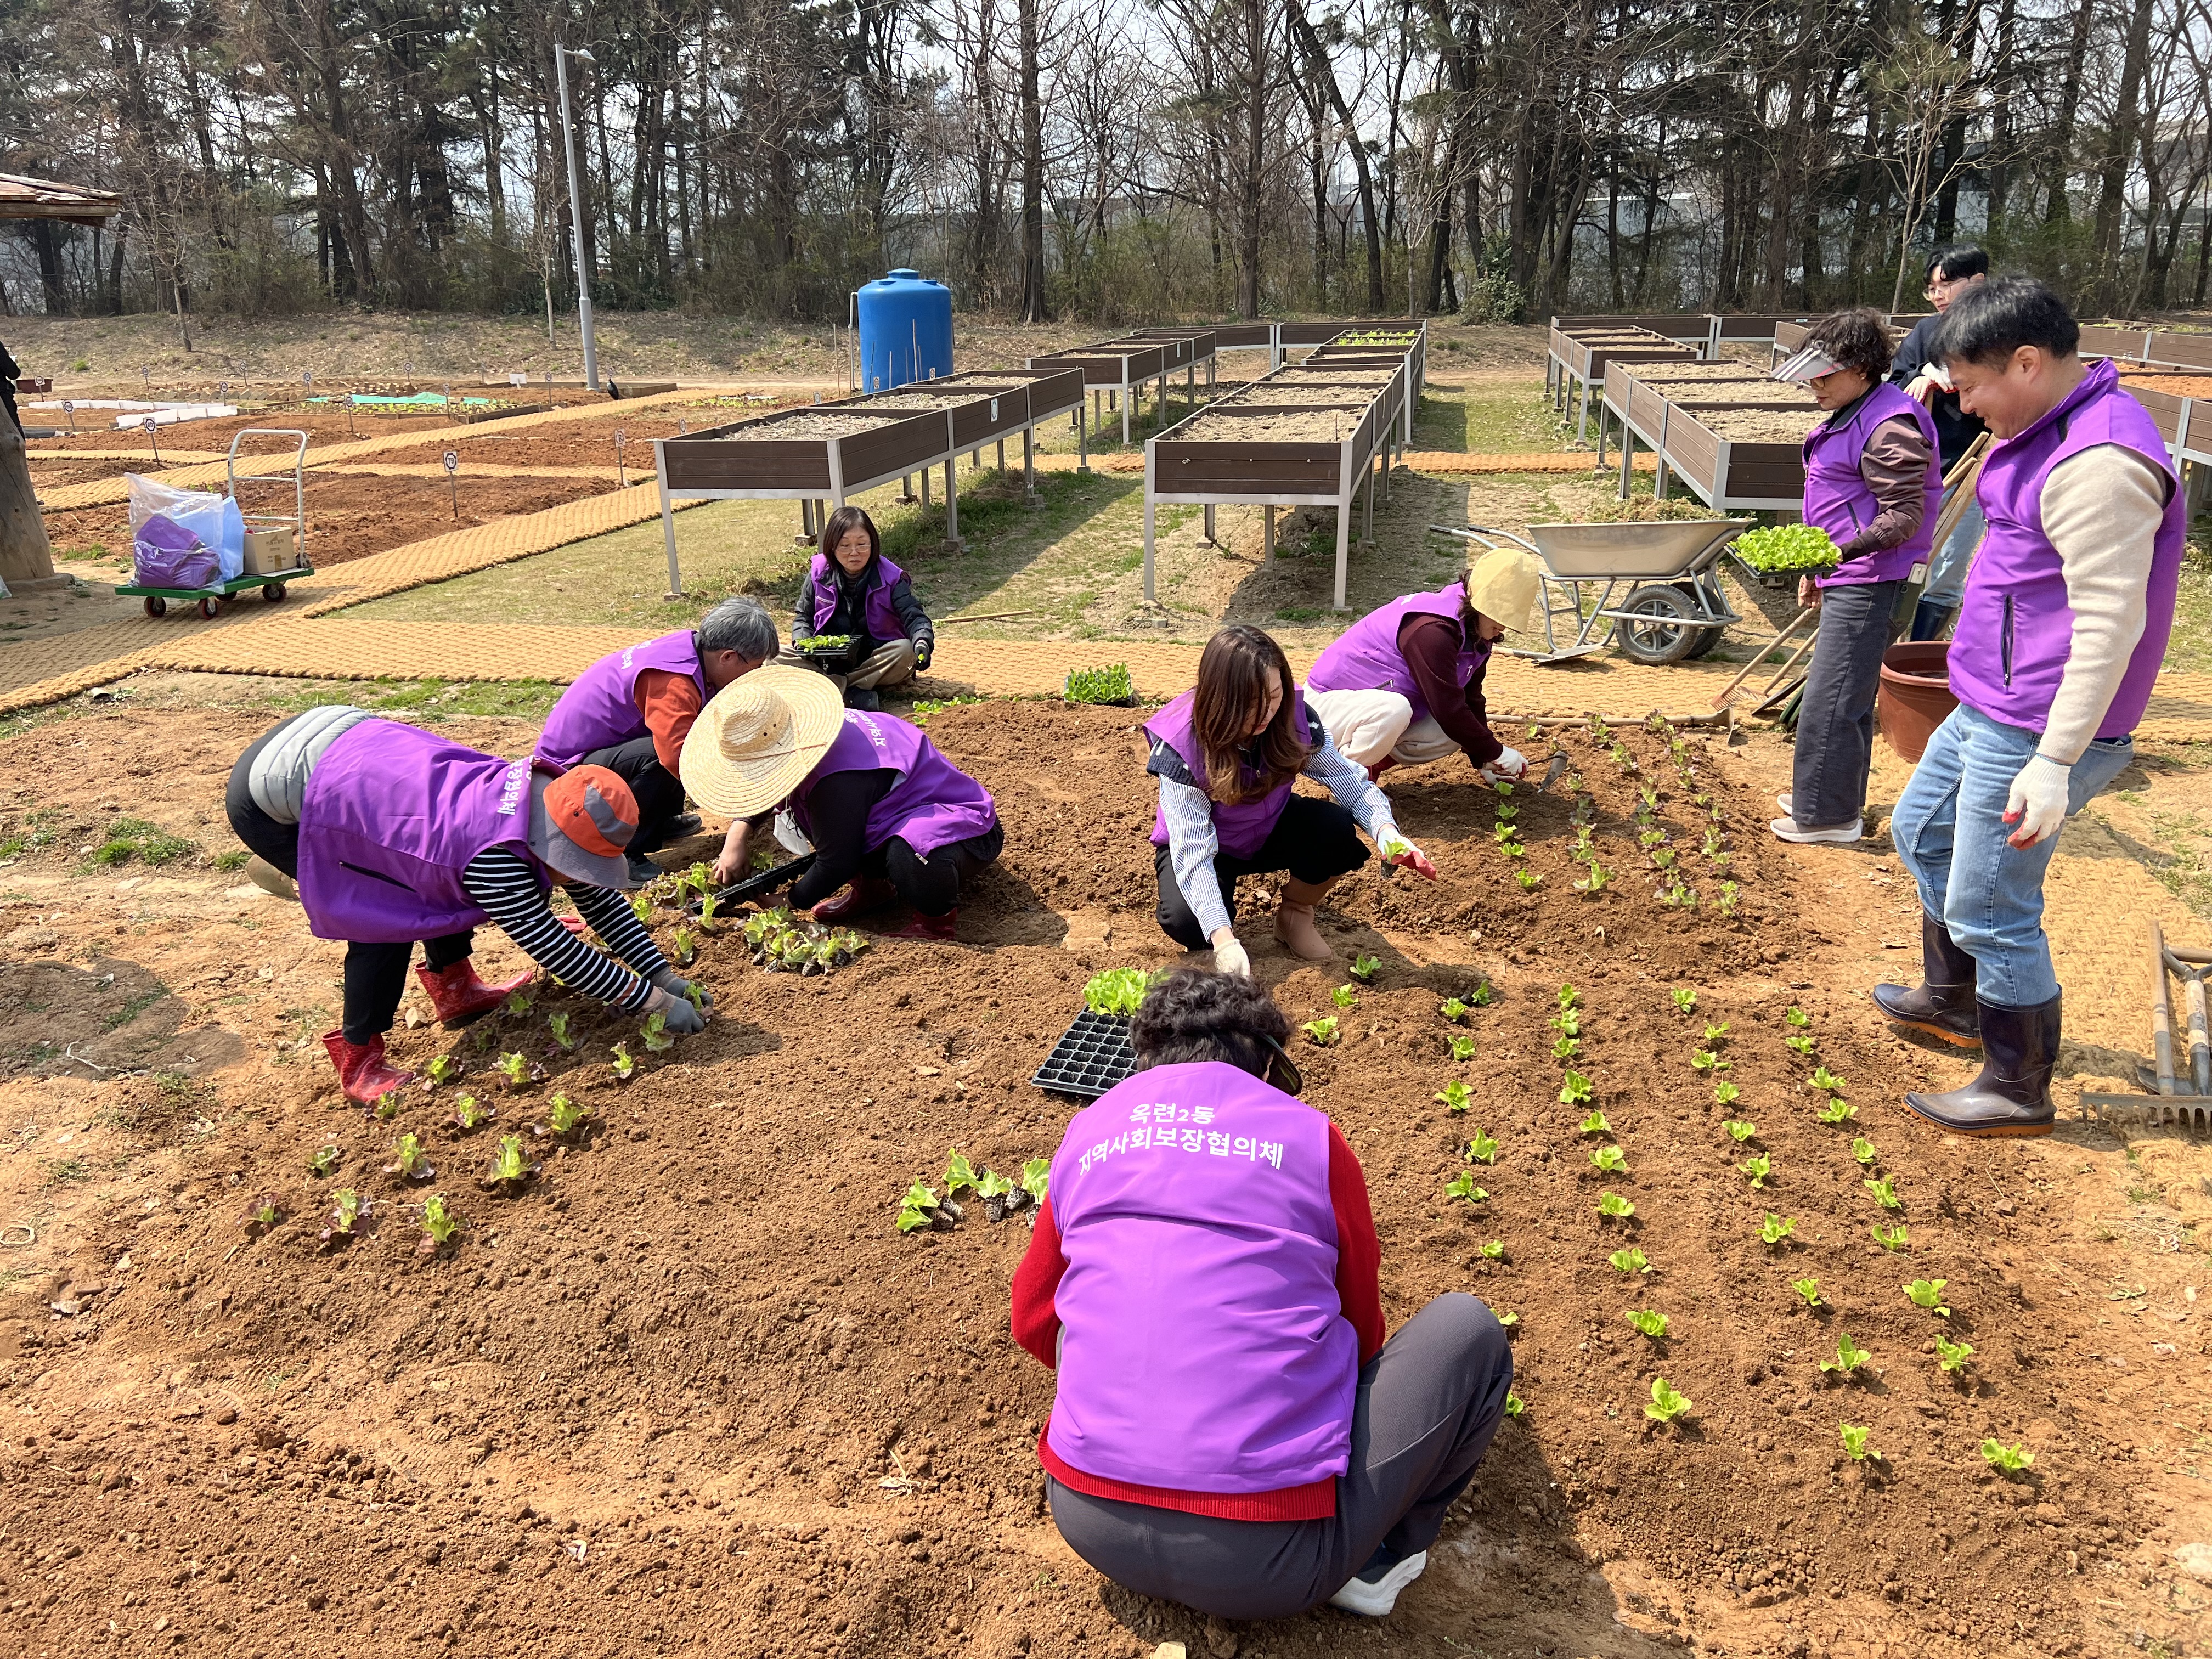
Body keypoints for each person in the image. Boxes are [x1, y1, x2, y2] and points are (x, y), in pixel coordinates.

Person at [1011, 969, 1514, 1620]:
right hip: (1267, 1563)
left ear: (1145, 1058)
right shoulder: (1311, 1139)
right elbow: (1360, 1324)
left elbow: (1032, 1320)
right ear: (1269, 1063)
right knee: (1467, 1328)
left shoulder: (1091, 1131)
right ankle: (1376, 1557)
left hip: (1086, 1520)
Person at [1880, 279, 2183, 1136]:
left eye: (1973, 386)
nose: (1965, 406)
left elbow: (2109, 628)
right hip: (1991, 701)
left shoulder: (2102, 465)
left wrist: (2054, 763)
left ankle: (2017, 1086)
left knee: (1992, 903)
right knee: (1920, 833)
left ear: (2029, 361)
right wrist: (1947, 378)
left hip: (2039, 723)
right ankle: (1953, 997)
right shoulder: (2044, 419)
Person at [224, 707, 709, 1107]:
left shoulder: (546, 796)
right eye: (578, 862)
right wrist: (653, 1002)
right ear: (554, 842)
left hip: (346, 747)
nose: (582, 874)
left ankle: (455, 989)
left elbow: (597, 898)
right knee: (385, 917)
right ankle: (359, 1058)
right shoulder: (495, 858)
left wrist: (662, 974)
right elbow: (555, 947)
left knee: (437, 886)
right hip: (279, 789)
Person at [1148, 625, 1434, 972]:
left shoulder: (1293, 718)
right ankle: (1217, 931)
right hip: (1210, 845)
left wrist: (1386, 830)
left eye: (1273, 695)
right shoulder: (1181, 744)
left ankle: (1295, 914)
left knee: (1335, 831)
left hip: (1268, 827)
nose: (1265, 713)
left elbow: (1344, 778)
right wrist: (1223, 941)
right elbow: (1192, 848)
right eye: (1250, 703)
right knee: (1188, 923)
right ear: (1220, 697)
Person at [1768, 307, 1942, 847]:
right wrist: (1821, 568)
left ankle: (1828, 818)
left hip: (1874, 580)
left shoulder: (1890, 423)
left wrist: (1837, 552)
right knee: (1842, 695)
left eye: (1825, 374)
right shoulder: (1857, 409)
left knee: (1833, 699)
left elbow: (1902, 515)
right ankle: (1828, 797)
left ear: (1863, 368)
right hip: (1853, 574)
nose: (1813, 385)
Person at [681, 665, 1000, 941]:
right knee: (828, 820)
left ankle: (935, 922)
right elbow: (772, 781)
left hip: (962, 827)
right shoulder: (811, 730)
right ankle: (873, 890)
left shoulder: (835, 780)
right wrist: (739, 832)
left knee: (910, 852)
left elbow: (838, 861)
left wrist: (790, 901)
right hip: (893, 807)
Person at [536, 597, 781, 883]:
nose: (754, 675)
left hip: (603, 751)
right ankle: (628, 850)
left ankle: (659, 820)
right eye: (754, 666)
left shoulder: (691, 649)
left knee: (686, 736)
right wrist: (739, 797)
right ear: (727, 657)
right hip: (568, 775)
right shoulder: (673, 679)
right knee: (667, 754)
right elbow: (676, 756)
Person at [1304, 545, 1543, 783]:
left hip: (1368, 710)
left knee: (1456, 732)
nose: (1504, 626)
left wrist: (1485, 760)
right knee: (1395, 711)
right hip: (1322, 711)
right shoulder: (1433, 631)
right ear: (1481, 601)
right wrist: (1496, 752)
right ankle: (1348, 783)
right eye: (1501, 615)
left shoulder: (1477, 631)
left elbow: (1470, 698)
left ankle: (1370, 765)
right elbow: (1447, 706)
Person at [1890, 246, 1992, 641]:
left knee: (1949, 568)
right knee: (1911, 562)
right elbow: (1897, 384)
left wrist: (1954, 375)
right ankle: (1890, 651)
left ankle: (1919, 653)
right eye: (1931, 287)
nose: (1938, 295)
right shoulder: (1925, 332)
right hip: (1923, 467)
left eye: (1947, 285)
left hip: (1973, 464)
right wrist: (1921, 377)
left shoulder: (1998, 329)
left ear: (1978, 282)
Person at [789, 506, 935, 710]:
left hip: (874, 659)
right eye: (844, 545)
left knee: (905, 651)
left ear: (872, 544)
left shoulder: (891, 577)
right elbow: (803, 616)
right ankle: (851, 692)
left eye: (861, 544)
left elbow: (915, 616)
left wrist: (922, 641)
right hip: (827, 659)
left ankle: (830, 688)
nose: (854, 553)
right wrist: (803, 642)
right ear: (832, 546)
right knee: (777, 656)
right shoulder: (818, 572)